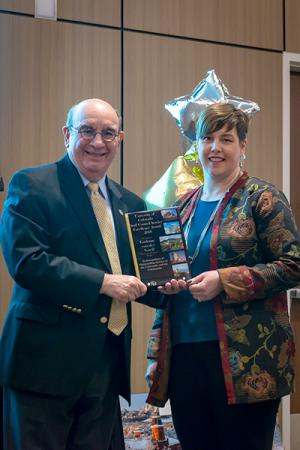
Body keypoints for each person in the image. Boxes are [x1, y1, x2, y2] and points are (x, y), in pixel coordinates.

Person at [0, 98, 161, 450]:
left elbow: (138, 277)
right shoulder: (32, 185)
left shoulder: (130, 204)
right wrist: (102, 283)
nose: (97, 142)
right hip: (43, 367)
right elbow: (27, 261)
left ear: (119, 139)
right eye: (86, 130)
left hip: (105, 364)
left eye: (108, 133)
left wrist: (173, 284)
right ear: (66, 134)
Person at [145, 103, 300, 450]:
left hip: (247, 362)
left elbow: (293, 264)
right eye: (207, 138)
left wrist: (224, 280)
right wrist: (166, 284)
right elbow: (168, 271)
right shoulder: (181, 207)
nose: (215, 148)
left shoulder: (263, 198)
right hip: (184, 356)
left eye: (226, 139)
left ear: (242, 147)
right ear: (196, 145)